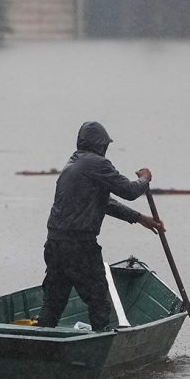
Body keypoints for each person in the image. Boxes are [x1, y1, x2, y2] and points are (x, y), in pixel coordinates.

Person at [36, 121, 164, 332]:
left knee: (53, 303)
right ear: (100, 145)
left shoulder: (73, 164)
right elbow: (130, 191)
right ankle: (99, 345)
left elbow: (104, 202)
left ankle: (37, 345)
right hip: (80, 246)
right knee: (99, 302)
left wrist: (139, 218)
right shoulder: (97, 164)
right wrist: (145, 179)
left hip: (55, 244)